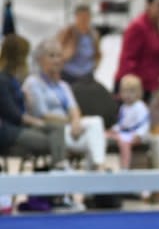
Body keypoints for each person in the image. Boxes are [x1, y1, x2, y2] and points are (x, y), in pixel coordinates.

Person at [23, 37, 107, 171]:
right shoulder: (33, 83)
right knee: (90, 137)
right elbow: (42, 114)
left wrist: (76, 121)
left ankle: (98, 169)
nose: (57, 60)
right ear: (40, 60)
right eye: (51, 56)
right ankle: (97, 171)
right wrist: (70, 122)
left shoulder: (63, 86)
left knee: (95, 124)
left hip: (69, 129)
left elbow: (74, 108)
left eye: (59, 56)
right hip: (49, 130)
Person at [0, 34, 68, 169]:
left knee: (58, 129)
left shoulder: (14, 79)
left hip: (21, 126)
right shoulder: (3, 80)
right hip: (10, 131)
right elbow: (14, 114)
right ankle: (57, 168)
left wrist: (25, 98)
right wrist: (39, 123)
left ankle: (59, 166)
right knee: (51, 140)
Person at [114, 0, 159, 101]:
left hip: (147, 86)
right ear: (148, 5)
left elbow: (152, 60)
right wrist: (130, 89)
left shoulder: (155, 27)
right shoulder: (138, 27)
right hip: (132, 88)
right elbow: (127, 60)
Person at [105, 73, 151, 170]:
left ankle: (125, 168)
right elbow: (121, 123)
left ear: (139, 92)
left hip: (136, 135)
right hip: (124, 133)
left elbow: (144, 124)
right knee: (103, 135)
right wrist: (114, 129)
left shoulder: (140, 107)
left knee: (123, 143)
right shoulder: (123, 107)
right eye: (125, 91)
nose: (128, 95)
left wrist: (139, 134)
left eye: (131, 92)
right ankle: (101, 165)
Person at [57, 4, 101, 85]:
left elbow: (97, 53)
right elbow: (57, 50)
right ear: (76, 17)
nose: (84, 19)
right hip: (69, 73)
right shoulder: (67, 32)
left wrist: (95, 65)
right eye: (81, 16)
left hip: (87, 73)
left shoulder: (93, 34)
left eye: (87, 16)